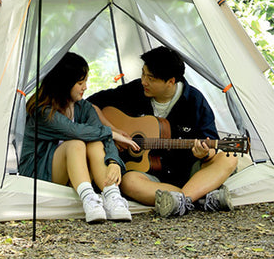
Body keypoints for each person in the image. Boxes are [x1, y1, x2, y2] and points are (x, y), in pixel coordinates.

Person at [89, 46, 238, 218]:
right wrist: (113, 131)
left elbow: (210, 142)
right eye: (143, 73)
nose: (144, 81)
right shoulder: (133, 91)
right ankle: (200, 196)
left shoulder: (194, 101)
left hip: (188, 174)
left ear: (171, 81)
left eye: (151, 78)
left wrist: (204, 153)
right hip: (150, 178)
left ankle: (182, 199)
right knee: (128, 182)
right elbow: (89, 106)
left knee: (229, 157)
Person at [18, 52, 138, 223]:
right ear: (64, 84)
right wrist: (111, 132)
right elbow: (75, 131)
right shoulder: (41, 110)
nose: (86, 87)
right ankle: (90, 200)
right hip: (40, 173)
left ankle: (112, 197)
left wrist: (113, 162)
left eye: (85, 82)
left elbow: (100, 135)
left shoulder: (84, 107)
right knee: (76, 143)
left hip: (75, 174)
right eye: (80, 83)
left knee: (95, 141)